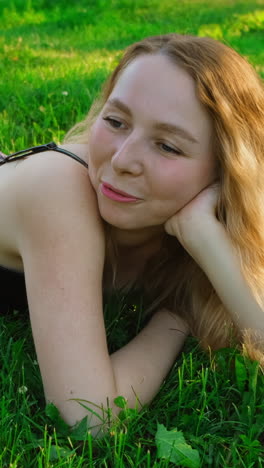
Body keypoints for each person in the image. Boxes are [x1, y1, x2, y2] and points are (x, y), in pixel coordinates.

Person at [0, 33, 263, 437]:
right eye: (116, 121)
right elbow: (88, 418)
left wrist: (206, 238)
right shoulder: (58, 190)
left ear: (223, 170)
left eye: (168, 146)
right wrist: (176, 319)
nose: (121, 161)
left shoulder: (200, 217)